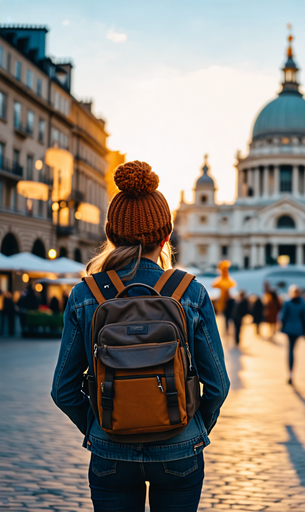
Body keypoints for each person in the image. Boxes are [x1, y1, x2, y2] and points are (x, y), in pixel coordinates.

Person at [51, 161, 230, 512]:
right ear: (166, 236)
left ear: (112, 234)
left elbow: (63, 390)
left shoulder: (86, 295)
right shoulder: (189, 292)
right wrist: (191, 427)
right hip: (180, 448)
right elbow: (218, 385)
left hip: (110, 449)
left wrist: (100, 426)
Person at [280, 285, 305, 385]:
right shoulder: (302, 304)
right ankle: (292, 373)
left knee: (290, 350)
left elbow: (283, 317)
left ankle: (290, 373)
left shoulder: (287, 303)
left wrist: (281, 327)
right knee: (294, 350)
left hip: (289, 328)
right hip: (298, 329)